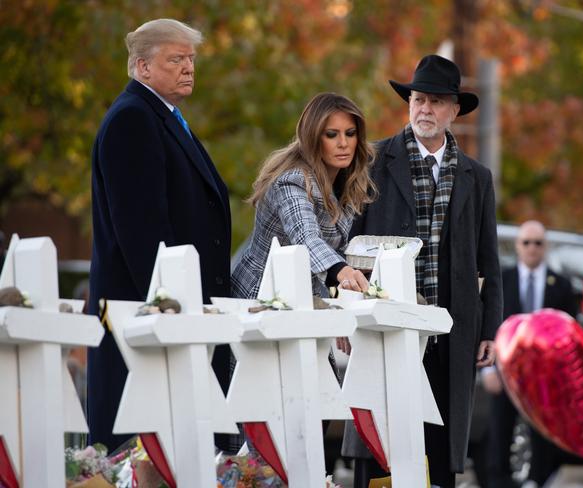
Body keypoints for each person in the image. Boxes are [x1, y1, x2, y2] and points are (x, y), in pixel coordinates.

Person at [342, 54, 503, 488]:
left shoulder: (477, 177)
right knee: (380, 447)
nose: (424, 110)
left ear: (454, 111)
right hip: (385, 327)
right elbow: (348, 244)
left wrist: (490, 329)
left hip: (451, 333)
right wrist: (346, 314)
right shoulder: (372, 160)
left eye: (435, 102)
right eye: (417, 100)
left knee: (439, 446)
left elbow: (489, 259)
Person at [88, 19, 231, 452]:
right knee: (148, 454)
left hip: (177, 316)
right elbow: (143, 233)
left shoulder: (162, 116)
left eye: (191, 59)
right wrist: (173, 308)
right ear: (142, 66)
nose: (189, 68)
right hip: (151, 321)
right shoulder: (133, 119)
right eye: (176, 59)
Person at [231, 92, 375, 305]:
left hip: (306, 296)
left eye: (350, 133)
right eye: (332, 134)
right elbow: (306, 237)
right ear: (313, 137)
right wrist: (342, 271)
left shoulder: (347, 181)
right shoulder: (292, 180)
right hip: (262, 295)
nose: (343, 143)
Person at [483, 220, 576, 488]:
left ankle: (536, 481)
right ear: (518, 246)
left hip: (544, 379)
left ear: (545, 247)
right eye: (526, 242)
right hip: (505, 373)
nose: (532, 248)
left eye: (538, 243)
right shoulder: (502, 280)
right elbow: (488, 322)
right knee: (499, 432)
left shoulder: (561, 285)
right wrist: (488, 368)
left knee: (542, 434)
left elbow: (568, 335)